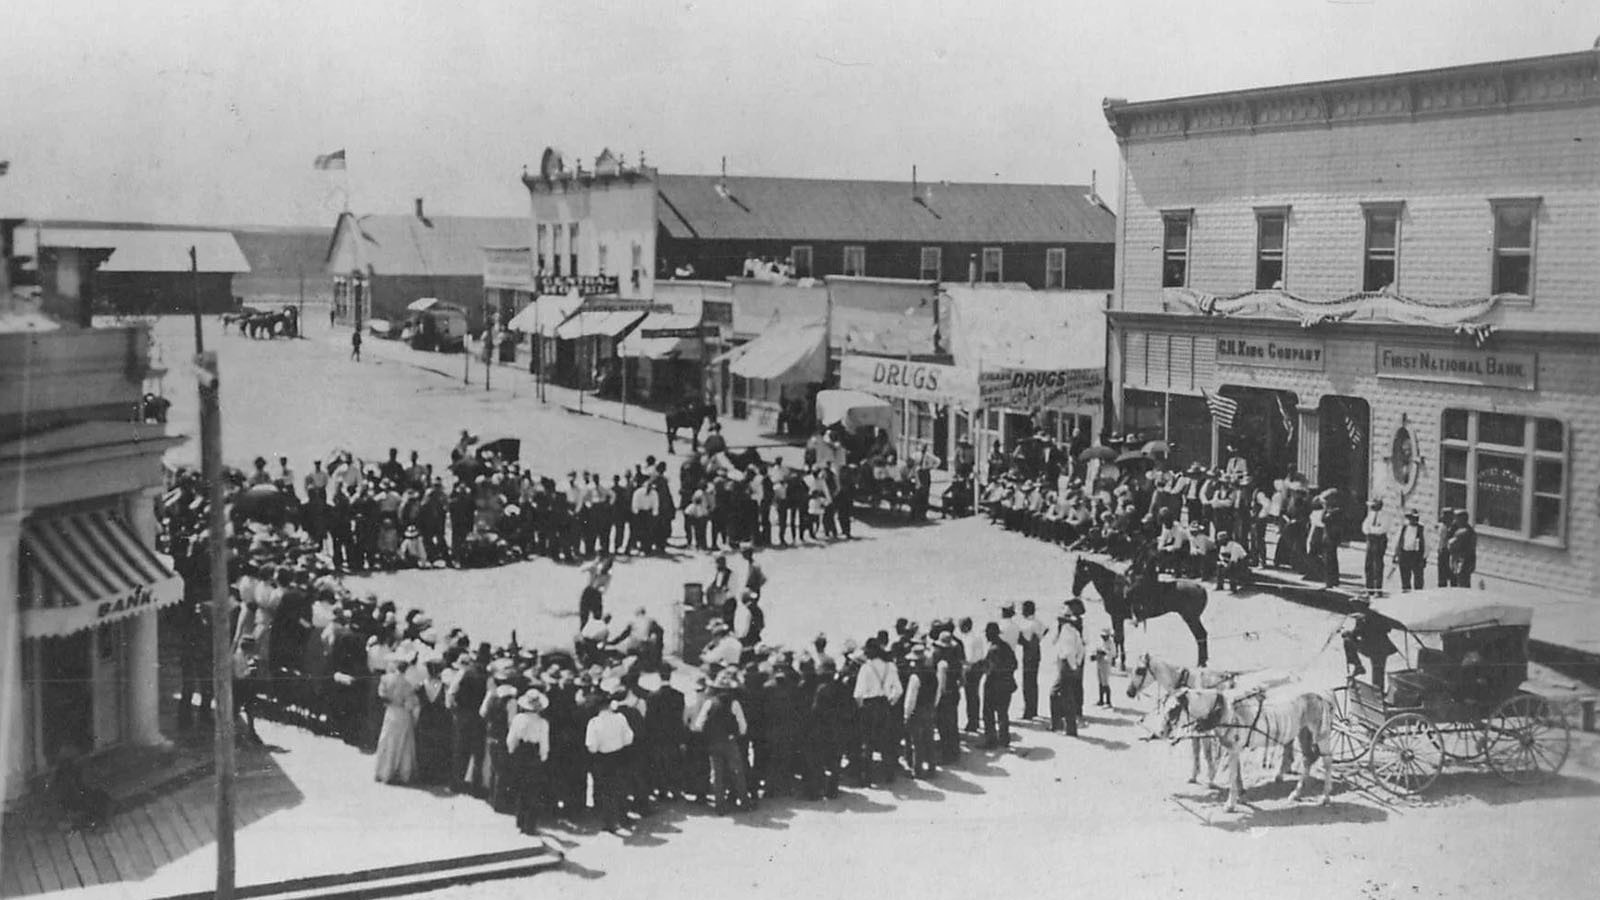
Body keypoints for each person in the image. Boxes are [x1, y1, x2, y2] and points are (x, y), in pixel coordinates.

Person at [692, 668, 751, 812]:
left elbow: (699, 724)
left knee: (717, 773)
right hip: (730, 741)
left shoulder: (710, 703)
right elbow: (742, 726)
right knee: (737, 771)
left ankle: (720, 805)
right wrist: (737, 734)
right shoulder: (734, 703)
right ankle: (744, 802)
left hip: (713, 741)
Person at [852, 639, 904, 784]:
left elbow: (858, 694)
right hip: (884, 705)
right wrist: (891, 701)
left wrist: (861, 707)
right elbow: (899, 690)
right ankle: (889, 775)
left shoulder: (866, 668)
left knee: (867, 742)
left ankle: (866, 777)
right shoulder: (890, 666)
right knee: (886, 741)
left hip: (869, 706)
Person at [586, 686, 636, 833]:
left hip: (602, 758)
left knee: (605, 790)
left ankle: (609, 821)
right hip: (620, 756)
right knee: (621, 786)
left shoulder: (594, 723)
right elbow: (629, 738)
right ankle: (623, 815)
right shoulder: (620, 718)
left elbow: (592, 746)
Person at [507, 688, 551, 835]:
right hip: (533, 754)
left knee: (521, 788)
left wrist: (512, 751)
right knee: (533, 791)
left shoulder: (518, 719)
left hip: (521, 753)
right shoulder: (543, 723)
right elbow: (544, 744)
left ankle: (520, 820)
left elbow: (511, 739)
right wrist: (543, 757)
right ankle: (529, 825)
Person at [374, 655, 420, 784]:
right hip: (402, 713)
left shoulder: (386, 679)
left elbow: (381, 695)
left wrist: (390, 701)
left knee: (387, 740)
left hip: (391, 711)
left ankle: (383, 771)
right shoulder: (407, 684)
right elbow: (410, 704)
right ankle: (400, 772)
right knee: (403, 743)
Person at [1341, 596, 1398, 692]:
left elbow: (1387, 628)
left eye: (1356, 605)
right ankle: (1358, 666)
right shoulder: (1361, 617)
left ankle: (1378, 693)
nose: (1355, 607)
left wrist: (1368, 625)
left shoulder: (1375, 616)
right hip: (1370, 647)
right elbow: (1356, 633)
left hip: (1380, 648)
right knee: (1348, 641)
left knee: (1378, 672)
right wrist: (1349, 633)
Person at [981, 622, 1017, 749]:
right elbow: (1015, 664)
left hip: (993, 685)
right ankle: (1004, 739)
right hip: (1006, 684)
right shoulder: (1006, 646)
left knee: (988, 713)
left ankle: (990, 741)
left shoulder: (993, 650)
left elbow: (989, 669)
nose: (985, 636)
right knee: (1003, 713)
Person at [1050, 609, 1085, 736]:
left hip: (1066, 665)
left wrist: (1072, 665)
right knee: (1068, 696)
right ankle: (1070, 728)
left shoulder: (1066, 633)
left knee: (1055, 694)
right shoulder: (1074, 631)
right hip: (1070, 665)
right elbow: (1081, 650)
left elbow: (1069, 652)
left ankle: (1057, 725)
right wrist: (1077, 664)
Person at [1016, 601, 1047, 720]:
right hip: (1036, 653)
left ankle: (1028, 711)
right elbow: (1044, 631)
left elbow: (1023, 640)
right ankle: (1033, 709)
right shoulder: (1037, 622)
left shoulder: (1028, 624)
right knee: (1033, 682)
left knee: (1027, 683)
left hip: (1029, 654)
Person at [1395, 509, 1427, 592]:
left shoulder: (1421, 529)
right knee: (1405, 576)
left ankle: (1418, 596)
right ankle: (1406, 593)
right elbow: (1398, 540)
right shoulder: (1404, 528)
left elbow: (1427, 544)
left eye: (1415, 518)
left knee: (1418, 578)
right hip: (1405, 554)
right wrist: (1396, 554)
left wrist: (1424, 557)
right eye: (1411, 518)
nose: (1413, 520)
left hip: (1416, 555)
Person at [1361, 499, 1388, 591]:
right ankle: (1369, 588)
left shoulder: (1385, 516)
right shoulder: (1371, 514)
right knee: (1368, 564)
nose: (1371, 507)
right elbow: (1365, 526)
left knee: (1377, 564)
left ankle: (1378, 588)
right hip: (1370, 539)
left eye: (1373, 505)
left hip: (1379, 540)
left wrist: (1372, 530)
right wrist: (1369, 530)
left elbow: (1382, 529)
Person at [579, 554, 612, 627]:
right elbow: (582, 569)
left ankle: (595, 632)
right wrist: (593, 563)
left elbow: (605, 588)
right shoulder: (594, 568)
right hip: (588, 591)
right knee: (584, 615)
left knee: (597, 617)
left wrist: (600, 590)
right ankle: (583, 631)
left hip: (597, 594)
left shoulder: (608, 575)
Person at [1447, 510, 1477, 587]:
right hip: (1469, 560)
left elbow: (1451, 545)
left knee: (1461, 582)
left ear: (1462, 519)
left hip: (1461, 560)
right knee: (1465, 581)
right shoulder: (1471, 531)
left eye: (1456, 518)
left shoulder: (1462, 532)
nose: (1455, 521)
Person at [1092, 629, 1115, 708]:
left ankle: (1108, 702)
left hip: (1106, 664)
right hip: (1099, 663)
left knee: (1105, 682)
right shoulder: (1100, 642)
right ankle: (1101, 700)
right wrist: (1095, 655)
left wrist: (1105, 653)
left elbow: (1113, 654)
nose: (1104, 638)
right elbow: (1096, 650)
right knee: (1100, 682)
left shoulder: (1111, 643)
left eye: (1105, 636)